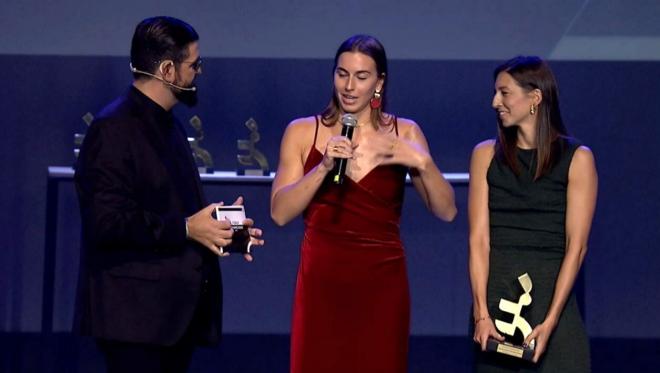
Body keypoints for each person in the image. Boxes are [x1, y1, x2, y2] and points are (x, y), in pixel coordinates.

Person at [74, 16, 264, 373]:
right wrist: (189, 229)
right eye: (194, 65)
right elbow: (107, 222)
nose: (198, 73)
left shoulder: (167, 124)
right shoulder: (113, 129)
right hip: (135, 321)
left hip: (168, 321)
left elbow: (175, 209)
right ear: (167, 69)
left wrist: (223, 229)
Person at [270, 34, 457, 373]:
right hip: (322, 283)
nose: (350, 86)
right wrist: (323, 167)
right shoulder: (302, 131)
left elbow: (446, 211)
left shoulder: (406, 132)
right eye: (342, 74)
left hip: (381, 284)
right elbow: (280, 213)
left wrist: (423, 163)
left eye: (361, 76)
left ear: (379, 82)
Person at [468, 56, 597, 372]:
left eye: (504, 92)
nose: (495, 102)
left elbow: (576, 247)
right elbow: (479, 240)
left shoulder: (577, 159)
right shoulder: (485, 155)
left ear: (535, 98)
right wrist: (481, 314)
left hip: (552, 300)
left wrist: (551, 321)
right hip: (496, 304)